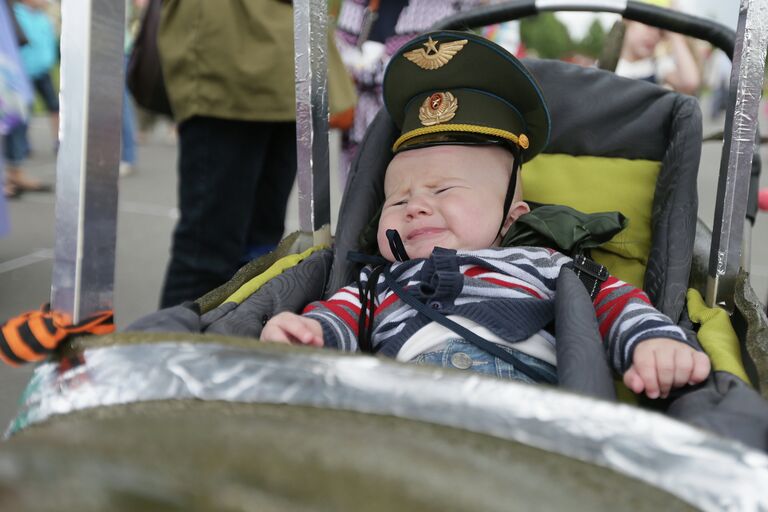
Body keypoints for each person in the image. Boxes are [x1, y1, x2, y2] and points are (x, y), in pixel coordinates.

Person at [261, 30, 711, 399]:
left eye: (444, 190)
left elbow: (618, 304)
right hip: (398, 410)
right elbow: (335, 318)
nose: (415, 205)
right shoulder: (375, 285)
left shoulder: (547, 266)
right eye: (396, 201)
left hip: (527, 411)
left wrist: (654, 343)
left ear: (511, 217)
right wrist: (310, 330)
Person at [156, 0, 355, 308]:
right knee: (207, 251)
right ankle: (177, 352)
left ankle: (230, 344)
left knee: (259, 251)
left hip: (290, 64)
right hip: (230, 55)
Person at [615, 18, 699, 95]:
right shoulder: (607, 65)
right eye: (649, 25)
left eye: (661, 32)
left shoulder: (658, 67)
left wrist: (675, 35)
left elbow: (689, 83)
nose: (654, 35)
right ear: (628, 22)